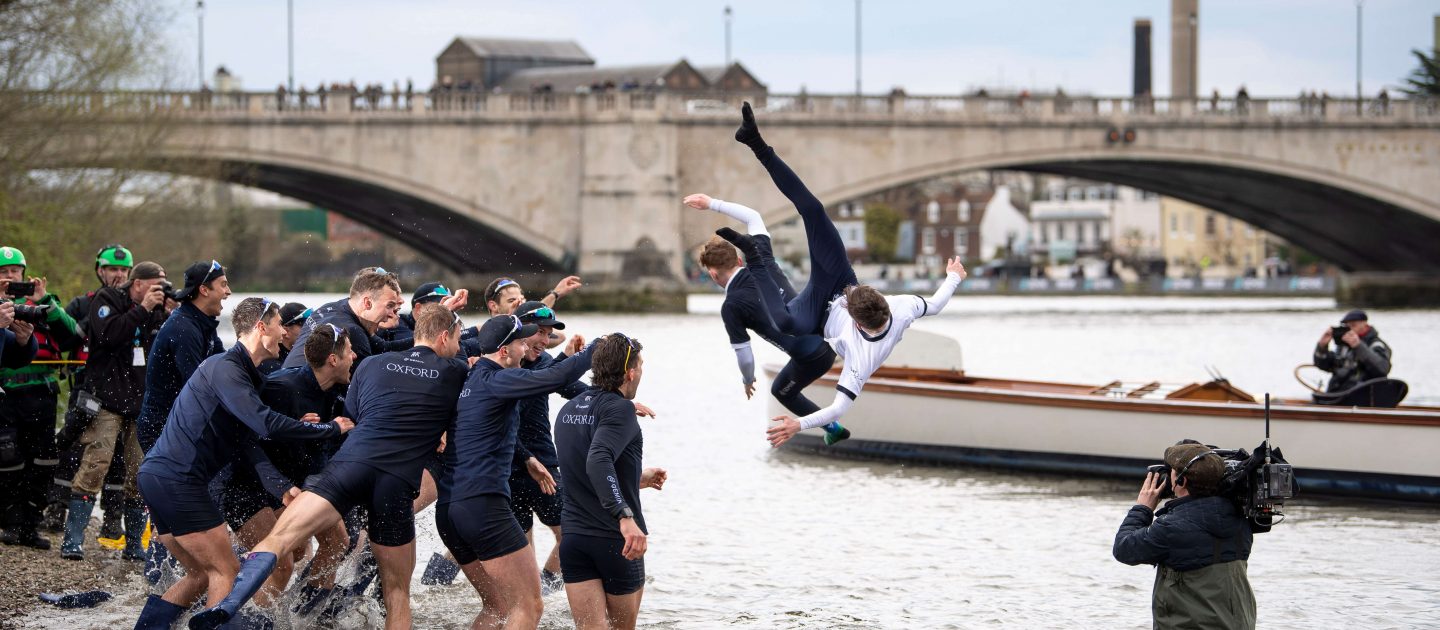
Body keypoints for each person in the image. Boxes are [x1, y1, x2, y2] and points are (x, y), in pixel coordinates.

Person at [704, 103, 966, 446]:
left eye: (852, 305)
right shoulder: (904, 306)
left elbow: (838, 408)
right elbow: (936, 304)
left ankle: (752, 256)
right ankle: (755, 142)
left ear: (858, 323)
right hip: (841, 279)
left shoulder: (862, 360)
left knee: (786, 323)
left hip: (818, 316)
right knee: (813, 210)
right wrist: (954, 276)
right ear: (881, 300)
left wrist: (798, 425)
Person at [191, 303, 467, 630]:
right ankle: (291, 614)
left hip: (347, 469)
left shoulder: (372, 364)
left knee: (282, 540)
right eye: (458, 340)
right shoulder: (456, 370)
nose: (459, 348)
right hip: (392, 483)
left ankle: (236, 606)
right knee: (397, 593)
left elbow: (354, 417)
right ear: (444, 337)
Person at [132, 297, 351, 630]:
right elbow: (263, 422)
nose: (285, 334)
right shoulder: (227, 368)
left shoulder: (247, 375)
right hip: (179, 479)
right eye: (279, 326)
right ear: (261, 328)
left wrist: (282, 478)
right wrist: (328, 428)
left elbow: (250, 438)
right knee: (226, 571)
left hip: (159, 477)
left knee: (200, 575)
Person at [435, 314, 595, 630]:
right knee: (529, 606)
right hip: (483, 506)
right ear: (504, 351)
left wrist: (527, 459)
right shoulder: (497, 379)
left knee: (497, 607)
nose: (526, 349)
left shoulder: (471, 379)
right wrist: (597, 349)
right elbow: (556, 377)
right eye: (522, 343)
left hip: (450, 508)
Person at [231, 323, 356, 613]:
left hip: (294, 482)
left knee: (337, 541)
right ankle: (248, 618)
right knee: (282, 562)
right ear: (333, 359)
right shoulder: (281, 387)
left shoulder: (339, 390)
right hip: (250, 482)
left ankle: (304, 614)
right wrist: (295, 430)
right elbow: (244, 439)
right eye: (350, 351)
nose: (355, 356)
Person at [687, 226, 849, 445]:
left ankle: (833, 428)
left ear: (714, 275)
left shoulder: (732, 306)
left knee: (782, 391)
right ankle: (832, 424)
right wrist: (717, 207)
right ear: (739, 261)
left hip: (812, 358)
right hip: (829, 336)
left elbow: (745, 357)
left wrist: (748, 380)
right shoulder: (762, 266)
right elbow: (755, 219)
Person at [554, 333, 667, 630]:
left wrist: (635, 478)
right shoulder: (621, 409)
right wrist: (624, 516)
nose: (641, 372)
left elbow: (582, 469)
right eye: (640, 366)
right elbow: (598, 459)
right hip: (615, 541)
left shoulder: (569, 409)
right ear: (630, 373)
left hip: (574, 540)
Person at [59, 261, 171, 560]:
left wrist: (169, 314)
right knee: (96, 465)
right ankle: (73, 541)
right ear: (138, 284)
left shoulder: (159, 308)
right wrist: (143, 309)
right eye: (156, 285)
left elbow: (164, 346)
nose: (160, 291)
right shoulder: (107, 299)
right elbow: (109, 336)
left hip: (141, 402)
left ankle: (134, 544)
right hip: (106, 398)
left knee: (139, 473)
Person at [1112, 442, 1256, 629]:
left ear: (1182, 481)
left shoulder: (1171, 528)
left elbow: (1124, 548)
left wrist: (1143, 508)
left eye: (1171, 472)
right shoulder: (1239, 519)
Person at [45, 244, 135, 536]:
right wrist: (97, 314)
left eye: (123, 270)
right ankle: (57, 508)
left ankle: (113, 517)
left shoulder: (136, 307)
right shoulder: (82, 304)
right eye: (112, 269)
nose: (118, 275)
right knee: (72, 449)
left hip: (121, 392)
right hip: (86, 388)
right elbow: (65, 341)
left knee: (117, 456)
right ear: (99, 271)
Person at [509, 302, 592, 594]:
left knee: (572, 533)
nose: (545, 340)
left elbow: (574, 389)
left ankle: (542, 591)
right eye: (540, 333)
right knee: (571, 531)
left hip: (539, 466)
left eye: (548, 334)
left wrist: (615, 400)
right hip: (514, 470)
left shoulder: (544, 363)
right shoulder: (497, 367)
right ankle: (539, 594)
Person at [0, 246, 80, 550]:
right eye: (3, 272)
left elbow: (73, 337)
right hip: (7, 394)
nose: (10, 277)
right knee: (8, 460)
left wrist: (45, 300)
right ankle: (10, 523)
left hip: (41, 393)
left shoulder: (41, 303)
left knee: (43, 461)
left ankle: (30, 525)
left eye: (15, 271)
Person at [283, 267, 463, 373]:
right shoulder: (352, 332)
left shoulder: (332, 306)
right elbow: (368, 380)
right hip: (302, 402)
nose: (392, 313)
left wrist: (438, 319)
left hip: (290, 380)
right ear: (367, 303)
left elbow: (383, 348)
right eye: (389, 306)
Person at [1314, 309, 1392, 394]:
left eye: (1353, 325)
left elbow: (1382, 369)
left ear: (1365, 324)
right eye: (1346, 326)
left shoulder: (1377, 344)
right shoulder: (1344, 345)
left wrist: (1358, 346)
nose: (1350, 329)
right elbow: (1327, 366)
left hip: (1366, 394)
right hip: (1339, 394)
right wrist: (1322, 347)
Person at [258, 302, 309, 374]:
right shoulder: (272, 366)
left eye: (310, 323)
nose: (309, 329)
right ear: (286, 331)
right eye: (304, 324)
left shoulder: (305, 355)